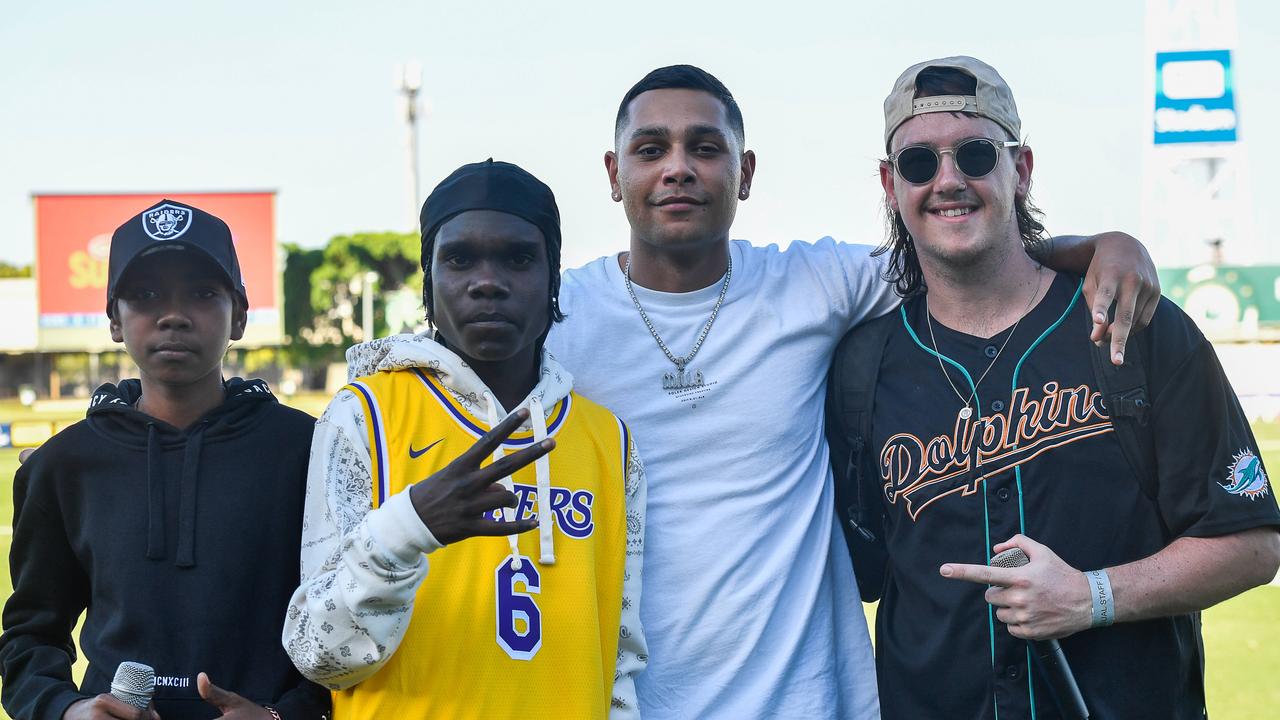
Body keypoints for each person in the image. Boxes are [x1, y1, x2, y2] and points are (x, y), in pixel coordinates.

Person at [545, 64, 1162, 719]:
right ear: (614, 175)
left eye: (705, 147)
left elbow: (965, 253)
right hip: (628, 702)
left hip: (812, 701)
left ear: (745, 172)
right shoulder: (556, 319)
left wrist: (1102, 245)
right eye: (650, 149)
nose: (677, 168)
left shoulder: (814, 284)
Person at [829, 56, 1280, 719]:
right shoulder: (861, 366)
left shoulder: (1133, 321)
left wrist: (1093, 595)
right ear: (891, 183)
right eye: (920, 164)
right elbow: (866, 573)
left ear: (1023, 168)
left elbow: (1252, 543)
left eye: (976, 155)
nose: (948, 180)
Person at [283, 160, 646, 719]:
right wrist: (403, 531)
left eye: (519, 258)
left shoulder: (608, 440)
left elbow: (619, 665)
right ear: (428, 282)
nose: (487, 281)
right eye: (459, 259)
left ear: (553, 279)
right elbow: (320, 654)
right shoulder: (365, 415)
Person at [0, 200, 330, 720]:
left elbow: (351, 620)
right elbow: (31, 633)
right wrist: (65, 710)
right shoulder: (65, 463)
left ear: (239, 315)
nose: (173, 315)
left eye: (202, 293)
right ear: (114, 318)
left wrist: (284, 716)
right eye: (145, 295)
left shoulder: (310, 450)